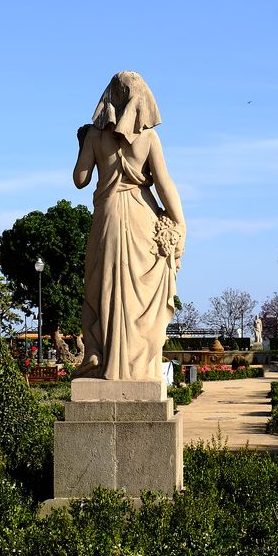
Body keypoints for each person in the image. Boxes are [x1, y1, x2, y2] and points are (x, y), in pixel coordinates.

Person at [73, 71, 185, 380]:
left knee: (101, 286)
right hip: (142, 217)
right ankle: (138, 366)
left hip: (107, 215)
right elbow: (165, 186)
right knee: (138, 298)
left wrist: (83, 143)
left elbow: (80, 180)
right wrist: (180, 224)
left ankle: (98, 353)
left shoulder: (95, 136)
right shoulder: (148, 138)